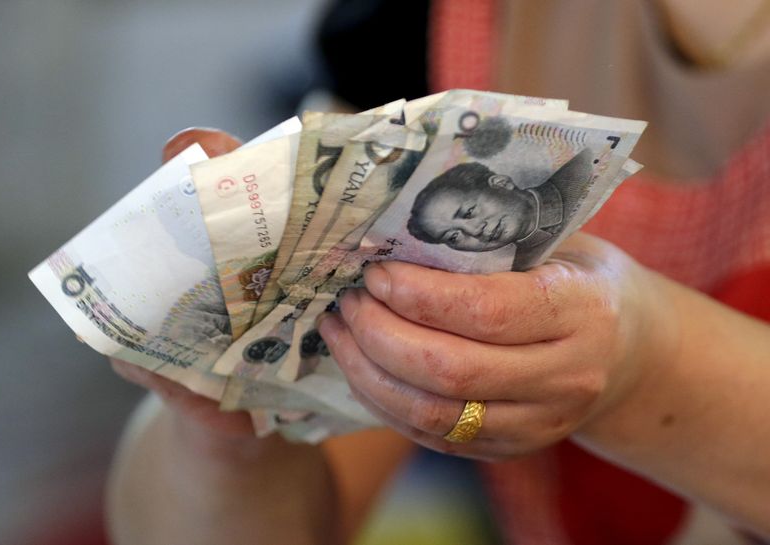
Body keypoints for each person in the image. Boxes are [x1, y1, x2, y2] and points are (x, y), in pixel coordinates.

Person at [106, 1, 770, 544]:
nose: (469, 236)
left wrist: (647, 362)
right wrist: (230, 414)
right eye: (453, 229)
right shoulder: (422, 25)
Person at [407, 149, 594, 270]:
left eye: (469, 212)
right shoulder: (519, 269)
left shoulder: (583, 170)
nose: (474, 231)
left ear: (501, 183)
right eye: (453, 237)